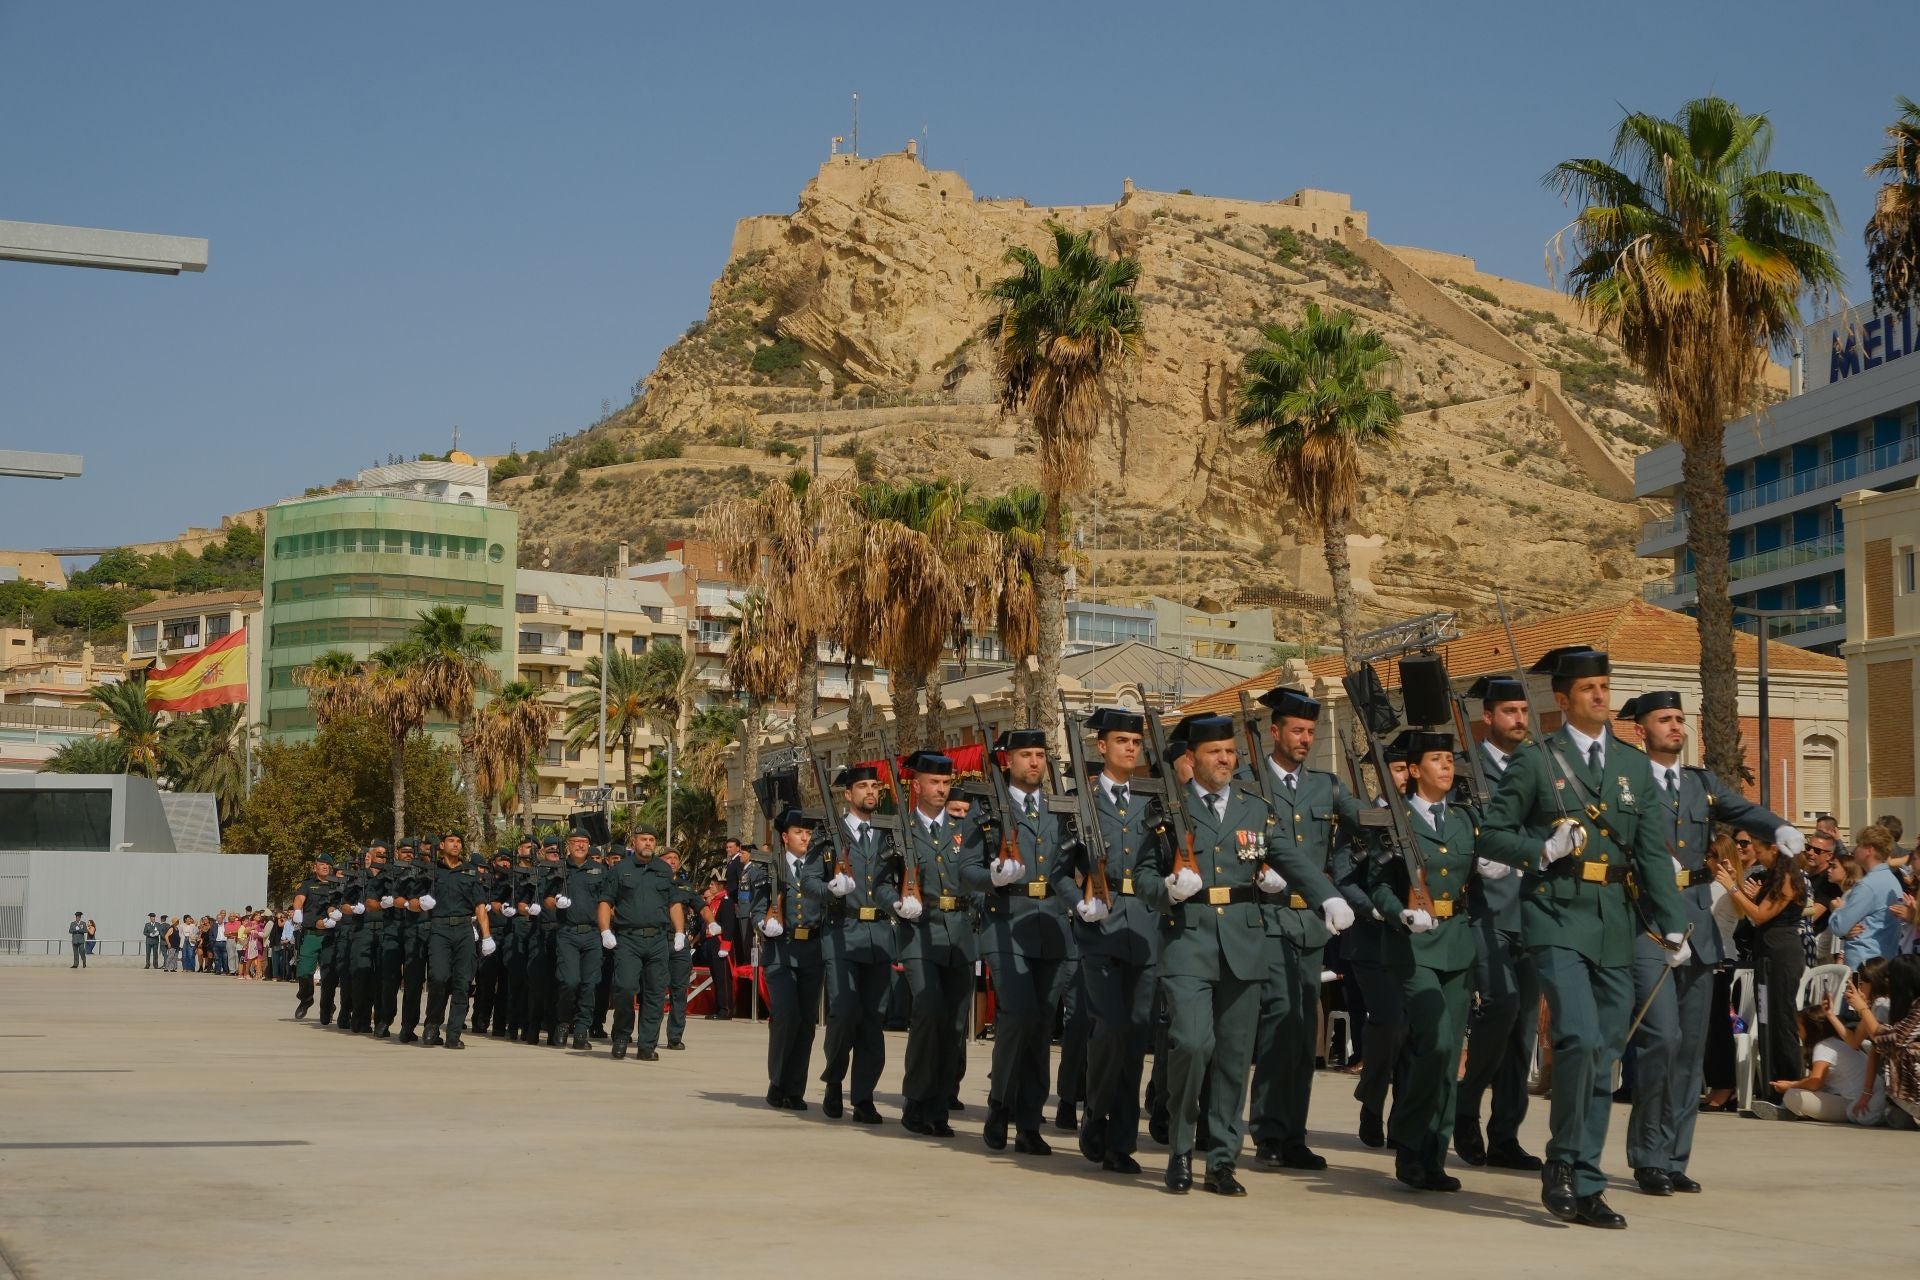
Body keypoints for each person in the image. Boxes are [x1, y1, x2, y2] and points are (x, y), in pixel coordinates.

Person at [1479, 646, 1686, 1231]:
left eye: (1605, 685)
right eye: (1589, 688)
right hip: (1555, 914)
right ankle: (1561, 1165)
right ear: (1563, 700)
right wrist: (1541, 850)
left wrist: (1673, 923)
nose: (1601, 695)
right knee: (1576, 1035)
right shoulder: (1536, 762)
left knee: (1605, 1055)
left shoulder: (1630, 765)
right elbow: (1493, 835)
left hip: (1615, 921)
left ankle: (1585, 1178)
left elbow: (1648, 852)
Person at [1135, 714, 1342, 1196]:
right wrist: (1167, 888)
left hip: (1246, 943)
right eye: (1215, 752)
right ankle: (1182, 1147)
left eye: (1230, 751)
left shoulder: (1256, 808)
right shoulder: (1169, 809)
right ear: (1193, 758)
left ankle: (1222, 1160)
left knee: (1232, 1057)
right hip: (1189, 939)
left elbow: (1289, 856)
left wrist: (1326, 896)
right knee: (1191, 1043)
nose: (1226, 759)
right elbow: (1142, 875)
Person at [1619, 690, 1797, 1197]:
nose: (1676, 727)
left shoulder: (1700, 783)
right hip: (1649, 919)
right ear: (1642, 730)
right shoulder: (1625, 781)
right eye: (1664, 719)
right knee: (1661, 1040)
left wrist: (1780, 827)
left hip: (1696, 922)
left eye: (1679, 718)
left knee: (1690, 1049)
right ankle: (1647, 1155)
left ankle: (1674, 1157)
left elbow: (1744, 809)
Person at [1245, 685, 1360, 1174]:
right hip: (1267, 919)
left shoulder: (1327, 787)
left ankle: (1294, 1132)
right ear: (1275, 732)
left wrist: (1335, 881)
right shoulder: (1249, 784)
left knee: (1303, 1028)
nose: (1304, 739)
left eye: (1311, 731)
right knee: (1278, 1024)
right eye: (1296, 730)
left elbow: (1360, 834)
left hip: (1310, 922)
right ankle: (1269, 1129)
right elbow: (1234, 840)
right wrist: (1256, 870)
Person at [1370, 730, 1484, 1191]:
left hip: (1456, 941)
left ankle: (1433, 1154)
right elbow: (1377, 883)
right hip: (1413, 947)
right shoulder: (1391, 821)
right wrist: (1400, 912)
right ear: (1414, 770)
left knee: (1449, 1053)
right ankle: (1409, 1138)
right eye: (1436, 759)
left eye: (1449, 759)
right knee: (1434, 1042)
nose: (1446, 766)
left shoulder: (1464, 819)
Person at [1059, 711, 1165, 1174]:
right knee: (1111, 1029)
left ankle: (1121, 1140)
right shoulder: (1076, 801)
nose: (1130, 749)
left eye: (1135, 743)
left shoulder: (1154, 802)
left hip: (1144, 929)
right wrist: (1076, 903)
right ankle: (1096, 1113)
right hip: (1098, 928)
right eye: (1121, 741)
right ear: (1100, 747)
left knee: (1137, 1032)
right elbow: (1057, 871)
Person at [1454, 675, 1545, 1172]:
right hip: (1486, 908)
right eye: (1509, 712)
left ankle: (1506, 1133)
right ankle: (1465, 1107)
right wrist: (1476, 861)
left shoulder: (1538, 766)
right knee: (1500, 1008)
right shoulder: (1466, 772)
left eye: (1524, 712)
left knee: (1523, 1028)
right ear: (1487, 717)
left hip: (1532, 910)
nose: (1519, 720)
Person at [894, 751, 975, 1139]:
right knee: (927, 1012)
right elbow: (879, 879)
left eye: (946, 783)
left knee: (955, 1022)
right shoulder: (900, 830)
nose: (942, 789)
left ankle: (940, 1104)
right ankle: (916, 1098)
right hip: (919, 932)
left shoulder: (966, 829)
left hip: (960, 932)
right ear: (917, 786)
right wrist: (895, 901)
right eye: (934, 783)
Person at [1339, 732, 1410, 1154]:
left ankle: (1401, 1115)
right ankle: (1372, 1099)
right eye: (1396, 769)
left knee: (1412, 1030)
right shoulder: (1361, 819)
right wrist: (1375, 909)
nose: (1403, 777)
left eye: (1407, 768)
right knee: (1389, 1020)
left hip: (1417, 942)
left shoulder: (1423, 817)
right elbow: (1344, 877)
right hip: (1371, 941)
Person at [818, 764, 901, 1125]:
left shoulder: (890, 833)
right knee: (844, 1012)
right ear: (847, 794)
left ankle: (864, 1095)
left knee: (873, 1019)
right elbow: (807, 877)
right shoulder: (828, 833)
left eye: (874, 785)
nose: (871, 791)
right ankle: (834, 1080)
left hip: (880, 935)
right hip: (842, 931)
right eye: (863, 786)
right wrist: (829, 889)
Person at [1714, 826, 1805, 1108]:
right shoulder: (1773, 877)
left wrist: (1731, 887)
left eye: (1758, 848)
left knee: (1781, 1020)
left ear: (1774, 849)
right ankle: (1771, 1086)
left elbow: (1760, 915)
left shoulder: (1788, 877)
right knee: (1766, 1020)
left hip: (1782, 954)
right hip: (1766, 954)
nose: (1754, 853)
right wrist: (1735, 880)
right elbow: (1753, 908)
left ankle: (1788, 1086)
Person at [752, 809, 829, 1109]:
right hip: (780, 951)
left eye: (809, 833)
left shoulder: (820, 868)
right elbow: (757, 908)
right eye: (799, 832)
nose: (805, 838)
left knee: (806, 1023)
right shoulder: (769, 869)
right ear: (785, 837)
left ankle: (795, 1089)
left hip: (812, 951)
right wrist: (763, 924)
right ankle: (778, 1081)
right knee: (786, 1018)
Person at [608, 829, 679, 1060]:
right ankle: (620, 1037)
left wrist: (680, 932)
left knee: (656, 993)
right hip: (628, 938)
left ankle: (647, 1045)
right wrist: (604, 931)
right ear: (633, 842)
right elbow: (605, 902)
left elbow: (674, 902)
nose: (647, 843)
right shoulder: (621, 869)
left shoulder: (664, 869)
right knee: (626, 988)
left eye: (651, 840)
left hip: (658, 939)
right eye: (643, 840)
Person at [420, 832, 494, 1049]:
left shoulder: (470, 871)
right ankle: (432, 1024)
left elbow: (480, 905)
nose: (455, 844)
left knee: (462, 983)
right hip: (439, 928)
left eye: (458, 841)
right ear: (442, 845)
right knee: (438, 978)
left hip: (463, 929)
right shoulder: (431, 871)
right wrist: (419, 903)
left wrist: (486, 935)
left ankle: (453, 1033)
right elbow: (413, 900)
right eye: (451, 841)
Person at [1758, 1005, 1888, 1124]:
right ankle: (1788, 1109)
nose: (1798, 1032)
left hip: (1856, 1103)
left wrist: (1789, 1086)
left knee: (1793, 1095)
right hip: (1875, 1096)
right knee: (1812, 1090)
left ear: (1810, 1029)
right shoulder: (1839, 1042)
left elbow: (1815, 1082)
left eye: (1800, 1027)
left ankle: (1788, 1108)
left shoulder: (1823, 1047)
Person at [547, 828, 613, 1050]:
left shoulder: (599, 870)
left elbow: (607, 901)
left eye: (584, 842)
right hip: (568, 932)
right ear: (568, 845)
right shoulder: (558, 869)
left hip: (593, 934)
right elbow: (545, 900)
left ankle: (582, 1029)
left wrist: (607, 929)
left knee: (590, 983)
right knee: (569, 981)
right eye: (576, 841)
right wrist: (555, 901)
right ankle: (564, 1022)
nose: (580, 845)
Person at [1845, 955, 1920, 1126]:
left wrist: (1863, 1009)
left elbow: (1889, 1041)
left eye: (1890, 977)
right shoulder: (1908, 1007)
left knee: (1904, 1051)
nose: (1886, 981)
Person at [1831, 825, 1908, 966]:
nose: (1854, 849)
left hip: (1863, 963)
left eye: (1859, 845)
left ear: (1869, 850)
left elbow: (1839, 926)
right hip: (1883, 959)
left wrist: (1838, 909)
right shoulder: (1892, 880)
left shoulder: (1867, 885)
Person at [659, 843, 697, 1049]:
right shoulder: (651, 882)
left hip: (679, 941)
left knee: (679, 990)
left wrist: (714, 923)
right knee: (654, 989)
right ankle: (650, 1034)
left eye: (675, 858)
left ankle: (675, 1036)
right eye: (668, 858)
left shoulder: (685, 886)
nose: (672, 861)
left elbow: (700, 905)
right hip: (657, 939)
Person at [698, 874, 735, 1021]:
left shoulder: (725, 902)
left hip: (721, 943)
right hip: (712, 942)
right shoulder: (714, 902)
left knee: (723, 978)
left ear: (720, 886)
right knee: (716, 977)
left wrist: (725, 945)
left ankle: (725, 1009)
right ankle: (719, 1007)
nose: (710, 887)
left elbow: (729, 925)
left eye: (712, 884)